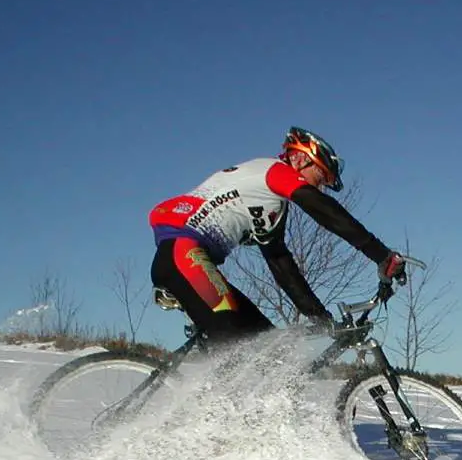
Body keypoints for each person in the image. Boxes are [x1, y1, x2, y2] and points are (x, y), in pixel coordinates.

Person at [148, 126, 407, 347]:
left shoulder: (269, 205)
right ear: (300, 159)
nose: (319, 186)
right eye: (320, 176)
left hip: (191, 260)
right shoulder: (274, 170)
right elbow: (323, 210)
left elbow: (281, 264)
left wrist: (319, 318)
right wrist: (381, 255)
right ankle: (208, 405)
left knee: (265, 344)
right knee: (231, 343)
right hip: (182, 250)